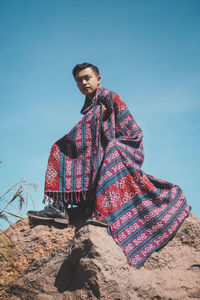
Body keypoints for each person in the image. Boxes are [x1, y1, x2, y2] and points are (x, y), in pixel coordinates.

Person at [27, 63, 191, 268]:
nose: (84, 82)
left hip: (126, 148)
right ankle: (62, 208)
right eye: (79, 80)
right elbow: (88, 139)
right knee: (61, 148)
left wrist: (103, 120)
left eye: (87, 77)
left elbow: (133, 132)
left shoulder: (111, 98)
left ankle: (104, 213)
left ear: (99, 79)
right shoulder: (91, 107)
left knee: (110, 149)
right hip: (106, 151)